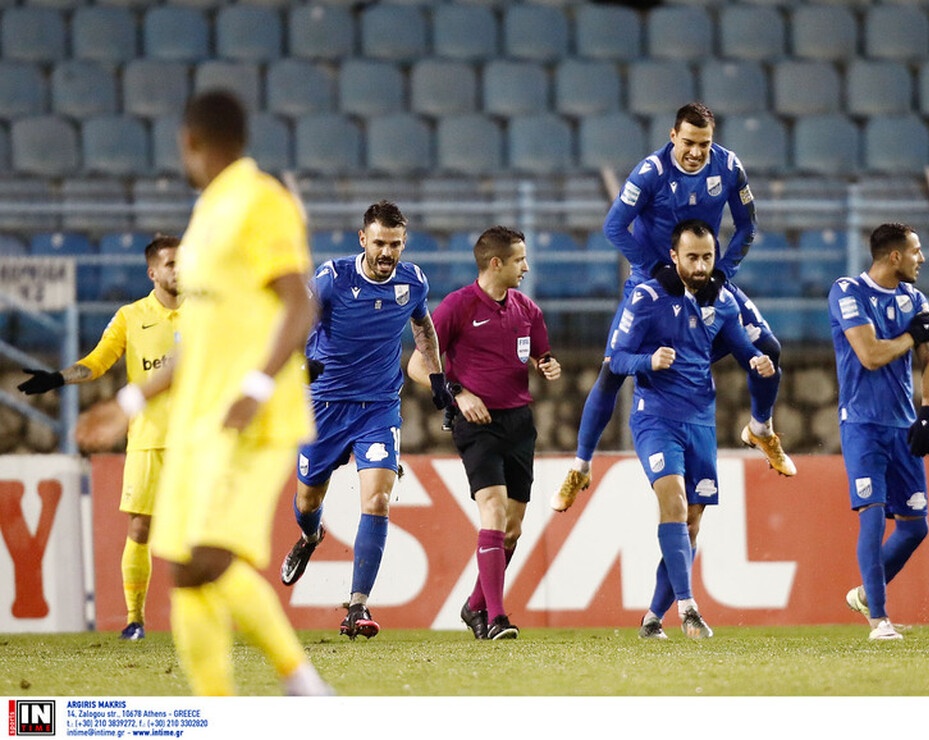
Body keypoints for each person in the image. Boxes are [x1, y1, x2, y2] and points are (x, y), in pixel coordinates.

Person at [76, 89, 331, 696]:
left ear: (189, 141)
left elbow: (301, 305)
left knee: (209, 559)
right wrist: (129, 402)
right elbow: (198, 341)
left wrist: (256, 385)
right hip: (202, 420)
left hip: (252, 418)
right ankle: (240, 706)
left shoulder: (262, 200)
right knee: (188, 571)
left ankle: (304, 686)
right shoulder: (207, 214)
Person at [552, 102, 795, 514]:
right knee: (612, 369)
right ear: (672, 137)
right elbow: (614, 226)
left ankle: (760, 428)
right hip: (653, 281)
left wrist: (723, 271)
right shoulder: (652, 172)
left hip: (704, 276)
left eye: (704, 144)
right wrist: (656, 269)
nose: (696, 152)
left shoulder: (728, 167)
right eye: (688, 143)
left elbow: (748, 225)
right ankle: (580, 466)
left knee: (768, 348)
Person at [279, 200, 451, 640]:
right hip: (324, 405)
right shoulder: (332, 278)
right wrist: (300, 362)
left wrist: (437, 377)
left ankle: (357, 606)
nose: (387, 252)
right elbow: (294, 318)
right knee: (307, 502)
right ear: (363, 240)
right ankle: (310, 538)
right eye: (379, 243)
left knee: (377, 500)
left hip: (378, 407)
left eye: (395, 244)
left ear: (404, 243)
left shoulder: (413, 282)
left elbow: (423, 327)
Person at [609, 219, 776, 640]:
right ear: (674, 256)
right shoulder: (648, 298)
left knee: (691, 525)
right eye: (692, 258)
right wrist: (648, 362)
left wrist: (756, 361)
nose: (701, 267)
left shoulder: (723, 302)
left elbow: (742, 346)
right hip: (655, 417)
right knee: (675, 503)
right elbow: (616, 358)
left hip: (700, 420)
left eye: (707, 257)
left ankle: (652, 617)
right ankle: (689, 610)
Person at [19, 235, 182, 641]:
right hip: (148, 439)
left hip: (198, 440)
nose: (180, 270)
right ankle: (134, 619)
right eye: (171, 264)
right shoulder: (131, 316)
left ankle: (213, 619)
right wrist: (58, 378)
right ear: (152, 272)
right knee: (140, 529)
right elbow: (98, 361)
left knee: (208, 532)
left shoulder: (206, 312)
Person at [407, 226, 561, 640]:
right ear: (496, 263)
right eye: (519, 260)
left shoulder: (528, 310)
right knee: (492, 509)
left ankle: (474, 606)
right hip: (476, 425)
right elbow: (418, 366)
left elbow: (540, 355)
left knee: (512, 529)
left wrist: (547, 365)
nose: (526, 267)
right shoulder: (457, 307)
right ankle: (496, 618)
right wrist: (458, 393)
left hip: (519, 423)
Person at [828, 222, 929, 641]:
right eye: (915, 251)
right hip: (862, 423)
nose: (921, 258)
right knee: (873, 517)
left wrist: (928, 412)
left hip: (902, 424)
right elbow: (871, 354)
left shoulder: (915, 298)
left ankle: (863, 594)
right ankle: (879, 620)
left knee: (915, 527)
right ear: (895, 256)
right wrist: (911, 335)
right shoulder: (847, 292)